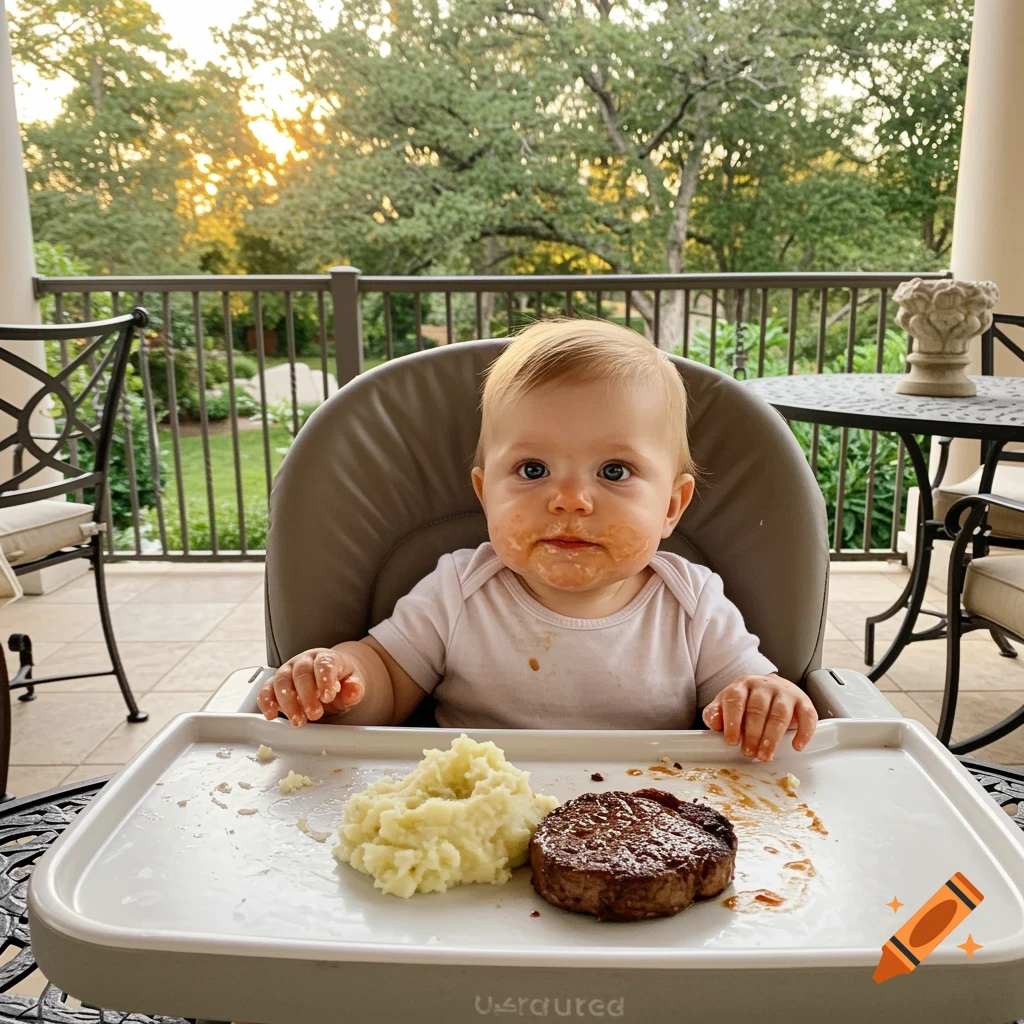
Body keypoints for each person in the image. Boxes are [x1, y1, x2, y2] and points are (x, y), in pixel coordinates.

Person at [257, 318, 817, 761]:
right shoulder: (460, 588)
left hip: (651, 824)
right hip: (474, 824)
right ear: (484, 494)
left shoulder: (691, 602)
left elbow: (745, 688)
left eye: (615, 472)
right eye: (531, 471)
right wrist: (341, 680)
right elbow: (387, 677)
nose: (570, 499)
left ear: (671, 506)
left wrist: (763, 701)